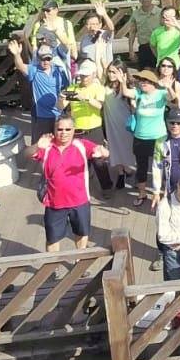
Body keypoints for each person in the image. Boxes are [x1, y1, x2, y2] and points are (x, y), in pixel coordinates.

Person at [33, 114, 108, 252]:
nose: (64, 133)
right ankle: (52, 266)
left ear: (74, 130)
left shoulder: (81, 145)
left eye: (68, 129)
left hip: (80, 201)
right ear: (54, 130)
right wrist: (36, 146)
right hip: (54, 202)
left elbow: (103, 152)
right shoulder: (47, 147)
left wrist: (103, 152)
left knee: (81, 233)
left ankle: (80, 261)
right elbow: (27, 154)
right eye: (60, 129)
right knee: (52, 238)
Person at [59, 60, 113, 191]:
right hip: (77, 130)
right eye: (82, 75)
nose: (83, 78)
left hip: (94, 129)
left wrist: (86, 98)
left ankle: (107, 187)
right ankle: (79, 186)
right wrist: (61, 99)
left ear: (94, 75)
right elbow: (61, 106)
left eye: (86, 75)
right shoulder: (73, 88)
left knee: (98, 160)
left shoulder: (97, 88)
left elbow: (99, 105)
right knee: (78, 160)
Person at [120, 69, 169, 204]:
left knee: (159, 166)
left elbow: (172, 99)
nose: (142, 83)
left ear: (153, 82)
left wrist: (169, 87)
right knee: (141, 167)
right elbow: (126, 93)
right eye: (140, 81)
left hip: (158, 137)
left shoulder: (161, 93)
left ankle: (160, 192)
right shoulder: (138, 93)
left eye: (145, 81)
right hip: (140, 137)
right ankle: (142, 193)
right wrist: (123, 83)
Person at [9, 38, 70, 144]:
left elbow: (66, 90)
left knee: (60, 144)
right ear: (38, 58)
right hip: (41, 116)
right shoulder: (34, 70)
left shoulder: (59, 71)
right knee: (40, 145)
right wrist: (17, 54)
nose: (46, 61)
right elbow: (20, 66)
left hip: (58, 115)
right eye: (43, 59)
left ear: (52, 58)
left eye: (48, 58)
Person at [101, 64, 138, 192]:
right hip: (111, 123)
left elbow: (132, 101)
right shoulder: (105, 86)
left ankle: (130, 170)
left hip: (125, 124)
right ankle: (121, 174)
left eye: (114, 72)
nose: (111, 75)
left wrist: (123, 84)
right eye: (109, 72)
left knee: (127, 149)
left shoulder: (128, 86)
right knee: (114, 148)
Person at [128, 0, 163, 69]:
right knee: (145, 73)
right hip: (144, 47)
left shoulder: (160, 12)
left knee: (159, 71)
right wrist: (131, 50)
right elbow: (132, 32)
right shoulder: (135, 14)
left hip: (158, 46)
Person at [77, 3, 116, 68]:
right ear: (86, 26)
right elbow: (82, 56)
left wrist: (104, 14)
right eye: (90, 24)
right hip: (90, 72)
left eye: (95, 24)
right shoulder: (84, 38)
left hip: (105, 70)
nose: (93, 27)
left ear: (100, 25)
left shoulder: (104, 34)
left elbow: (111, 28)